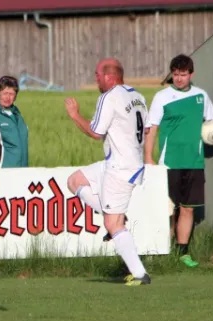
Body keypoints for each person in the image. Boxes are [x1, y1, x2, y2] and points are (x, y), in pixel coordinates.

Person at [64, 58, 151, 287]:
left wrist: (74, 115)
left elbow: (95, 132)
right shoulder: (138, 97)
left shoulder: (109, 97)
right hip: (124, 162)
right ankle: (115, 214)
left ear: (109, 77)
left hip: (119, 168)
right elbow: (147, 129)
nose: (96, 79)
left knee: (112, 225)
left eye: (97, 75)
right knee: (75, 181)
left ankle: (140, 274)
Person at [144, 54, 213, 268]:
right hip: (169, 163)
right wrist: (148, 157)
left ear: (191, 74)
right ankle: (160, 251)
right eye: (175, 75)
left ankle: (182, 253)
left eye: (183, 75)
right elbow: (152, 129)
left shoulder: (201, 96)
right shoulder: (162, 97)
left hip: (194, 162)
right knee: (166, 210)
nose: (179, 79)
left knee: (187, 209)